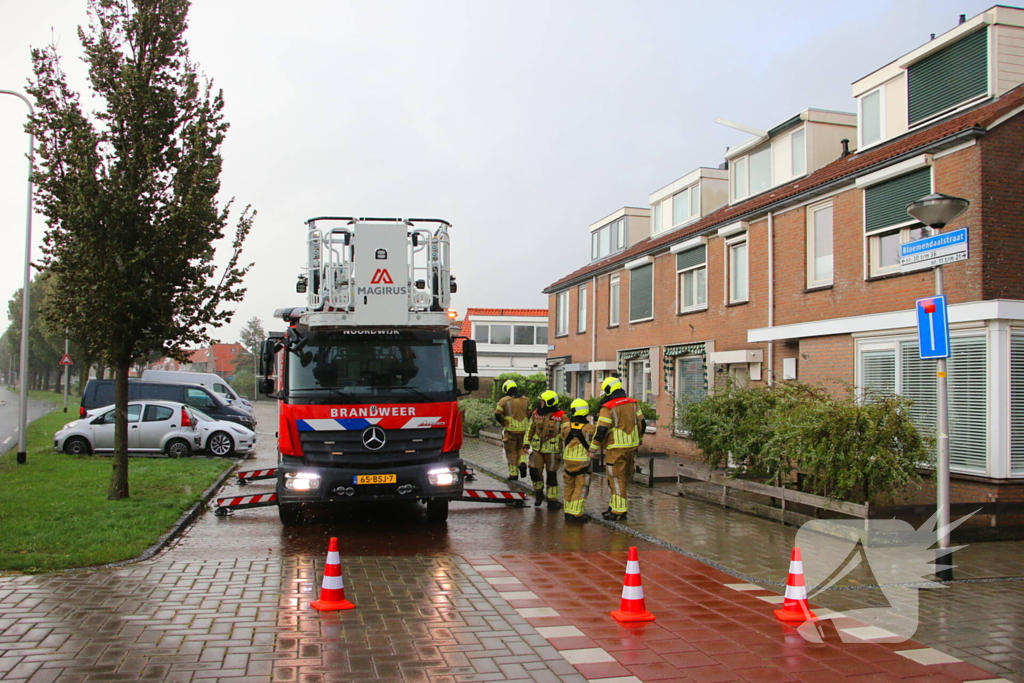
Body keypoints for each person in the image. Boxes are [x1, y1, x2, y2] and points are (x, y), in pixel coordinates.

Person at [588, 376, 645, 521]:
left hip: (616, 449)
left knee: (615, 479)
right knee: (623, 478)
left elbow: (601, 430)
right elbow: (642, 423)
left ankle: (619, 511)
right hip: (631, 447)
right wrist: (639, 440)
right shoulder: (633, 403)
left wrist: (592, 449)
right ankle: (614, 506)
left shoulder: (608, 407)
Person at [526, 389, 565, 509]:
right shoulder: (536, 413)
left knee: (552, 475)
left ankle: (552, 499)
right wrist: (526, 443)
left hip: (553, 450)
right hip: (537, 449)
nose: (540, 404)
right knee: (534, 472)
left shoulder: (561, 416)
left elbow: (566, 432)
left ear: (549, 402)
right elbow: (530, 428)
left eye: (543, 402)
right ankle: (538, 493)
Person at [561, 398, 595, 523]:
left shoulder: (565, 426)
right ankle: (576, 514)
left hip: (568, 462)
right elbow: (597, 441)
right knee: (581, 487)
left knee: (569, 486)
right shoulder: (590, 428)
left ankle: (567, 511)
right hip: (583, 462)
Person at [493, 379, 531, 480]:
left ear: (506, 388)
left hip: (510, 430)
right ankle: (522, 462)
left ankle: (513, 474)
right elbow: (529, 413)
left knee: (511, 451)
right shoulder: (526, 400)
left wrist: (504, 423)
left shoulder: (504, 401)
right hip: (523, 430)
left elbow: (497, 414)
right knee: (521, 448)